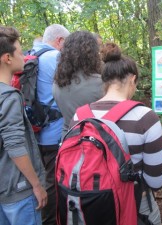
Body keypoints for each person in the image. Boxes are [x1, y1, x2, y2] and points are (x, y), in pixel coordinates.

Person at [70, 42, 162, 225]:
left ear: (104, 80)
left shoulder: (79, 116)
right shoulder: (145, 118)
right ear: (132, 80)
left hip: (90, 204)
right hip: (137, 205)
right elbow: (156, 181)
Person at [0, 26, 47, 225]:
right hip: (18, 190)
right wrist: (36, 185)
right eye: (20, 51)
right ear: (7, 58)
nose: (24, 55)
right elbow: (15, 145)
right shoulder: (9, 97)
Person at [31, 24, 70, 225]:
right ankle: (51, 221)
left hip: (35, 133)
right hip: (54, 134)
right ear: (60, 41)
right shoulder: (54, 58)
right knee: (53, 182)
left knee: (42, 177)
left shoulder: (31, 54)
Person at [53, 30, 104, 139]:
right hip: (95, 142)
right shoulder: (100, 83)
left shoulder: (57, 84)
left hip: (68, 140)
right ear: (92, 54)